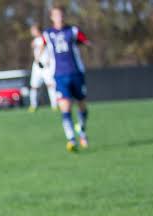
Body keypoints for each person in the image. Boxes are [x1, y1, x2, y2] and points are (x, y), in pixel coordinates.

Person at [39, 6, 91, 151]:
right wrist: (40, 60)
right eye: (56, 15)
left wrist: (88, 45)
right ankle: (71, 139)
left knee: (82, 104)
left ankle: (81, 130)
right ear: (52, 17)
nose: (59, 18)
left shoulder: (73, 31)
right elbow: (41, 46)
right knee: (65, 107)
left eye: (61, 15)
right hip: (59, 75)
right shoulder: (48, 34)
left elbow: (86, 41)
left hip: (76, 73)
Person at [28, 23, 57, 112]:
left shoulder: (45, 37)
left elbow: (44, 48)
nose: (32, 32)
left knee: (50, 85)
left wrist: (43, 58)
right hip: (37, 66)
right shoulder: (36, 40)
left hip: (46, 66)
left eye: (33, 30)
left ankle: (55, 105)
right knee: (34, 86)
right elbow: (34, 46)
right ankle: (33, 105)